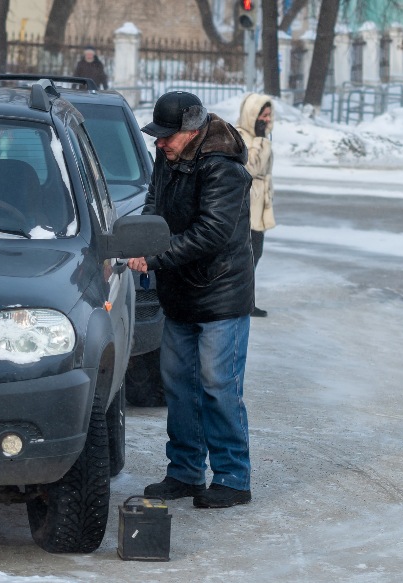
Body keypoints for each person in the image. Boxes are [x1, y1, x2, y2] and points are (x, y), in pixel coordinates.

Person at [127, 91, 255, 509]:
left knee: (218, 387)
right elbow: (153, 206)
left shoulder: (223, 167)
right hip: (179, 292)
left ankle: (234, 478)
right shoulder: (168, 159)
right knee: (180, 388)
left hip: (220, 294)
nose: (159, 143)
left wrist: (155, 255)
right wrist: (142, 237)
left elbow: (213, 232)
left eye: (167, 137)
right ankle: (184, 472)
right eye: (158, 137)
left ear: (193, 130)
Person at [236, 93, 275, 318]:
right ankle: (241, 302)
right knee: (246, 256)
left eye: (269, 115)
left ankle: (247, 301)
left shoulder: (261, 137)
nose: (267, 119)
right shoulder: (241, 137)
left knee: (255, 254)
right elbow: (253, 167)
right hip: (245, 207)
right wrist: (261, 140)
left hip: (259, 207)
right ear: (252, 114)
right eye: (263, 114)